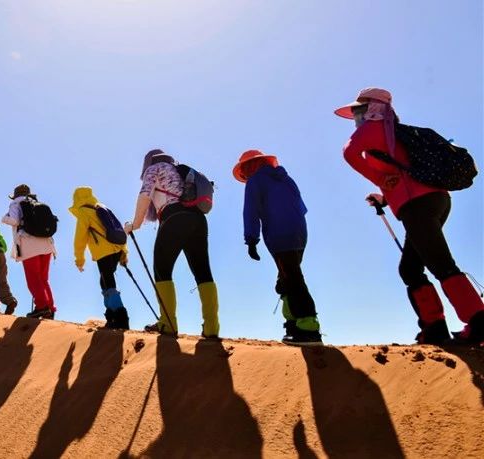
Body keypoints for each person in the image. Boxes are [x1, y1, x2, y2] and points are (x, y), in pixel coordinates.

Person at [337, 87, 484, 344]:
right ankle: (435, 327)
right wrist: (384, 195)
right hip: (435, 200)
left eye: (360, 110)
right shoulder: (395, 132)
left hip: (417, 205)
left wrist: (380, 178)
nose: (357, 117)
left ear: (373, 108)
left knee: (440, 264)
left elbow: (349, 153)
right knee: (410, 268)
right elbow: (404, 175)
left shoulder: (373, 128)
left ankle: (479, 323)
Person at [124, 150, 220, 339]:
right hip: (198, 219)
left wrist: (134, 225)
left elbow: (145, 195)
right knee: (202, 271)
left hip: (174, 217)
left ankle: (167, 324)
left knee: (162, 270)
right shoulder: (179, 171)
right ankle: (212, 328)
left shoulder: (154, 169)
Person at [233, 150, 322, 346]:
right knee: (286, 277)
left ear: (249, 167)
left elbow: (250, 211)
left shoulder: (255, 181)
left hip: (279, 233)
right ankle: (293, 324)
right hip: (300, 232)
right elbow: (302, 208)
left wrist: (251, 240)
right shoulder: (286, 179)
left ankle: (308, 328)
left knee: (292, 278)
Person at [69, 186, 131, 330]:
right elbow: (117, 230)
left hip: (103, 252)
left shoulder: (84, 212)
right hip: (116, 250)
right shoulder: (101, 208)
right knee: (105, 280)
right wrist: (124, 252)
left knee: (108, 281)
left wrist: (79, 260)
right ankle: (111, 315)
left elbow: (80, 239)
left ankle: (120, 316)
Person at [1, 185, 57, 319]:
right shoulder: (36, 202)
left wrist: (4, 218)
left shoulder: (16, 203)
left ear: (15, 195)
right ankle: (50, 307)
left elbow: (14, 220)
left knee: (33, 278)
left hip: (29, 244)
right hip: (47, 244)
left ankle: (41, 307)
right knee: (43, 279)